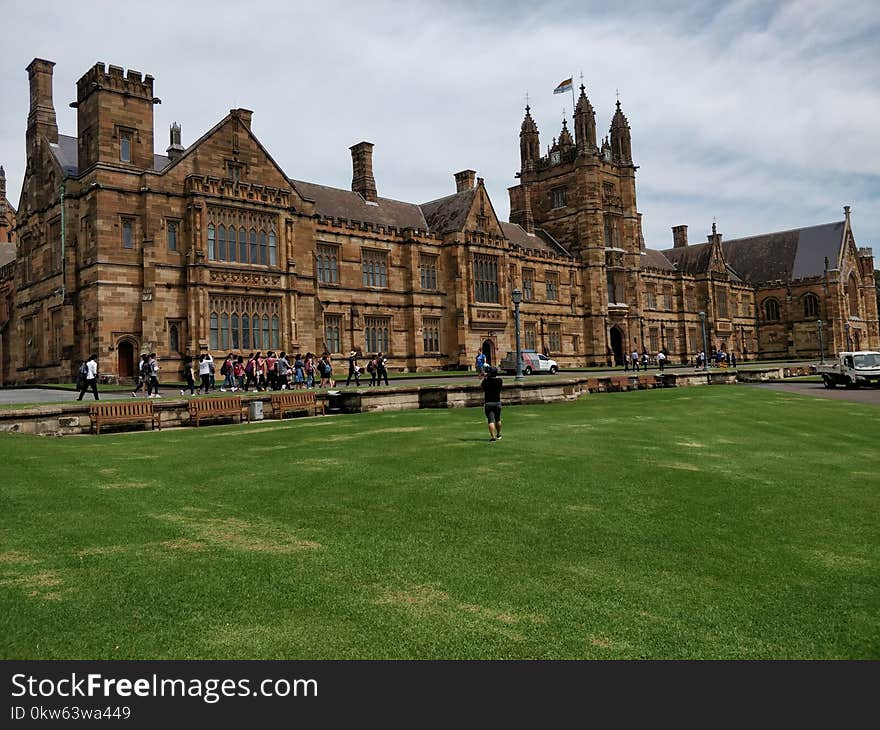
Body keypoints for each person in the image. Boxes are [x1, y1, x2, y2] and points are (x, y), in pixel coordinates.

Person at [480, 366, 503, 442]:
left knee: (491, 420)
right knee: (498, 419)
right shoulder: (500, 381)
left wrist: (485, 377)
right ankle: (499, 434)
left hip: (488, 402)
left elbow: (481, 387)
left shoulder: (486, 381)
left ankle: (493, 437)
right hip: (497, 402)